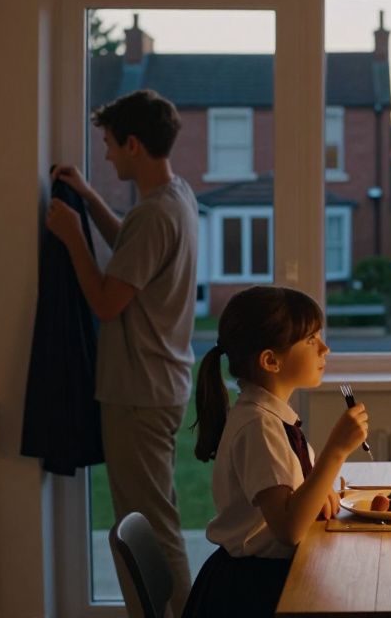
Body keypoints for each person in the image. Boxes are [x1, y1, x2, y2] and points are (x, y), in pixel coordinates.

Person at [46, 89, 199, 615]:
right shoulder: (174, 198)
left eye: (110, 144)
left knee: (149, 525)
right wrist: (89, 200)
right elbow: (132, 255)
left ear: (134, 143)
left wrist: (72, 239)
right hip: (157, 386)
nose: (106, 154)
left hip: (139, 391)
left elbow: (108, 300)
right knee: (155, 517)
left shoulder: (155, 214)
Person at [183, 286, 369, 618]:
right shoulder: (259, 427)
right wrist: (336, 451)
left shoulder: (271, 418)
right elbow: (288, 529)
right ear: (271, 360)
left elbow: (295, 498)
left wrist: (315, 491)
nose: (325, 349)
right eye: (311, 340)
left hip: (265, 577)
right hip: (250, 592)